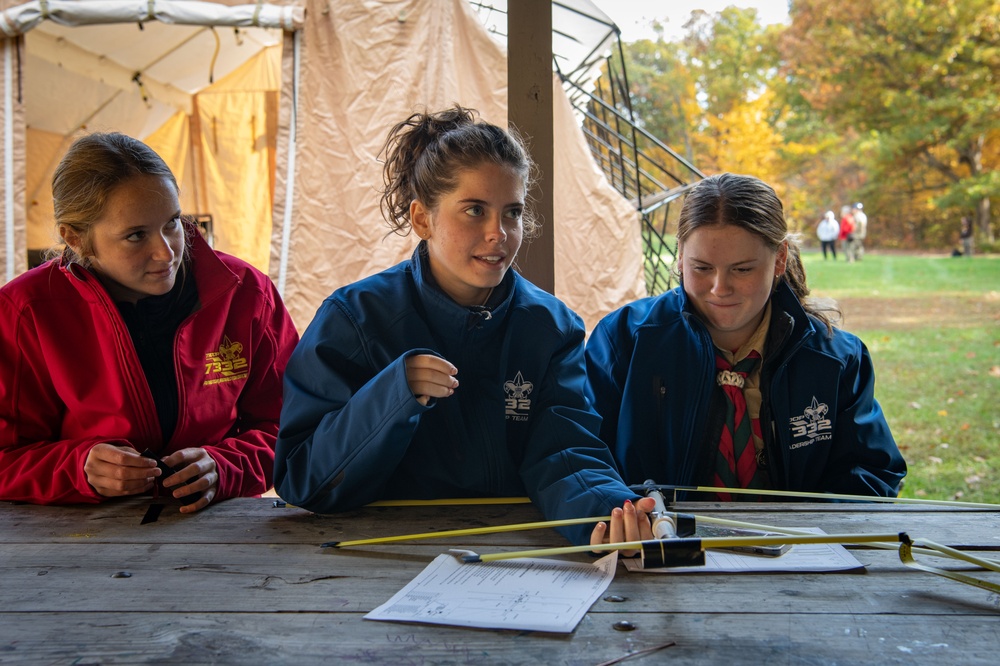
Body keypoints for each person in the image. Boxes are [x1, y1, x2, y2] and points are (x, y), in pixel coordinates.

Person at [274, 106, 653, 546]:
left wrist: (607, 513)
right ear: (422, 219)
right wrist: (395, 394)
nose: (499, 232)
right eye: (474, 210)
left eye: (512, 212)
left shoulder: (550, 327)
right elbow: (303, 479)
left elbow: (565, 450)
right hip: (381, 556)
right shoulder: (355, 319)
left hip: (512, 553)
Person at [0, 132, 299, 511]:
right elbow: (6, 455)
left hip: (223, 532)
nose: (166, 251)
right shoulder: (26, 311)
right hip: (77, 544)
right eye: (136, 235)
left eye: (173, 222)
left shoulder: (244, 293)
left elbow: (294, 427)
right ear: (75, 238)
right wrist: (78, 468)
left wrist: (226, 467)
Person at [585, 173, 906, 502]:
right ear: (680, 255)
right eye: (702, 268)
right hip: (661, 544)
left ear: (779, 259)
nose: (720, 288)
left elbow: (872, 473)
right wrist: (623, 508)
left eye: (742, 269)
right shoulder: (624, 341)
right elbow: (582, 457)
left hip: (796, 549)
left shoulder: (836, 361)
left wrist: (812, 527)